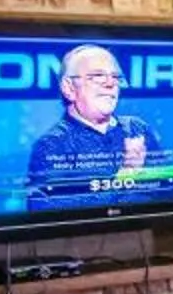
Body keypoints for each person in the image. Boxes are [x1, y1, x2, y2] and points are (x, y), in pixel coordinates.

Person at [25, 45, 157, 206]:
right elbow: (45, 209)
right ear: (69, 88)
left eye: (115, 77)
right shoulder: (51, 144)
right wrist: (125, 175)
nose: (110, 84)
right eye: (97, 76)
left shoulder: (136, 128)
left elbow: (168, 189)